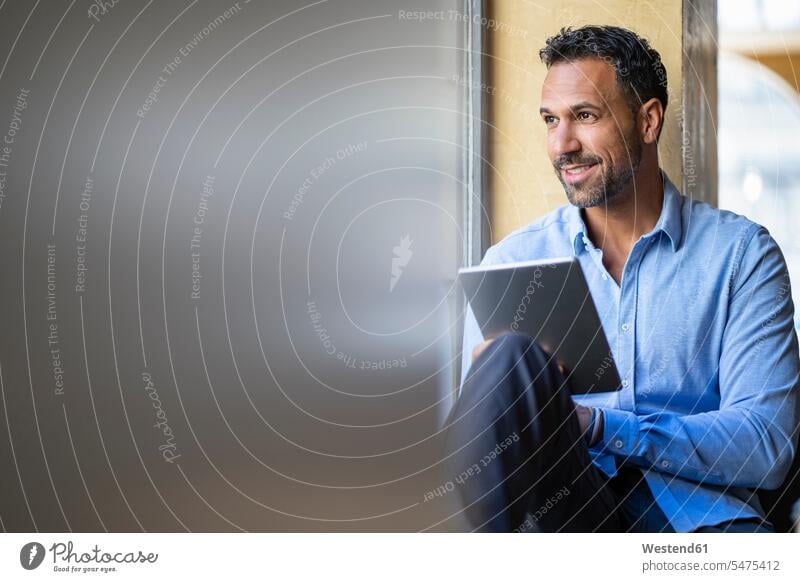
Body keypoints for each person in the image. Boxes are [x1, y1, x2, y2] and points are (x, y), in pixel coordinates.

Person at [448, 25, 800, 533]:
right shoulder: (511, 262)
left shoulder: (741, 256)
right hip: (567, 516)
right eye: (551, 120)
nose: (562, 145)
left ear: (648, 121)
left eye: (584, 117)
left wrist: (602, 427)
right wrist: (506, 392)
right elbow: (481, 458)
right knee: (509, 359)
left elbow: (766, 446)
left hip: (698, 526)